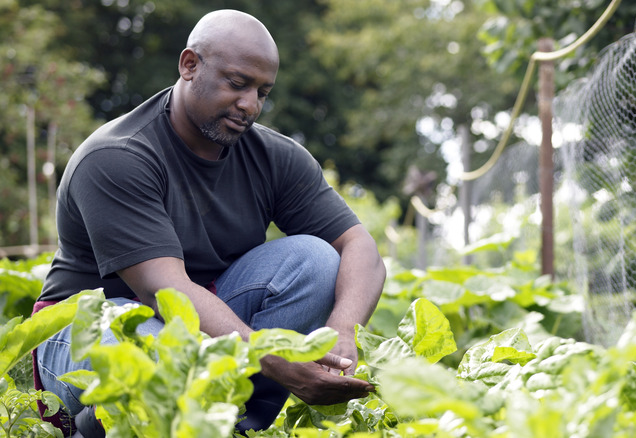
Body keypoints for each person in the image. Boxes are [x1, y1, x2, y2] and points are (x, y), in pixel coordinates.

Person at [34, 9, 386, 437]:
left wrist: (343, 332)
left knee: (316, 259)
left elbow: (360, 247)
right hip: (91, 326)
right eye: (237, 84)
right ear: (189, 65)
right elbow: (163, 290)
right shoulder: (117, 157)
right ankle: (96, 429)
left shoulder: (274, 157)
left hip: (202, 324)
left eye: (262, 91)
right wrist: (276, 361)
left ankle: (234, 426)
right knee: (155, 352)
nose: (250, 104)